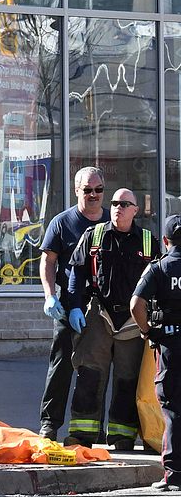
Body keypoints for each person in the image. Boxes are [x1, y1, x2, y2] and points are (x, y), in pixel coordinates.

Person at [65, 188, 159, 449]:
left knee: (127, 379)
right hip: (99, 314)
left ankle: (121, 435)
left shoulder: (148, 242)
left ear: (135, 210)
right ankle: (82, 434)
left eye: (125, 204)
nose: (118, 207)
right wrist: (74, 307)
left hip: (132, 320)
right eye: (115, 203)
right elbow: (77, 274)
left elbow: (158, 282)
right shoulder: (93, 235)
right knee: (89, 374)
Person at [38, 167, 110, 441]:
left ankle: (90, 429)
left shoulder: (111, 221)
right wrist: (49, 296)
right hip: (70, 306)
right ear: (77, 190)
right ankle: (49, 424)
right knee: (61, 366)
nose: (93, 195)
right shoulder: (63, 222)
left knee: (95, 370)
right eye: (87, 190)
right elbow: (48, 261)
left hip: (102, 309)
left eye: (98, 190)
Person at [131, 215, 181, 491]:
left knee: (173, 408)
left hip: (171, 344)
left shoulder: (159, 268)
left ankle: (173, 476)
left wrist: (147, 331)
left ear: (165, 240)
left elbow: (136, 303)